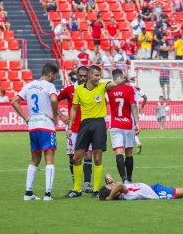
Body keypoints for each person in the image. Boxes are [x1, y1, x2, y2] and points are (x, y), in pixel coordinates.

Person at [65, 66, 136, 198]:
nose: (99, 78)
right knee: (76, 157)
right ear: (90, 76)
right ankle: (76, 189)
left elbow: (114, 83)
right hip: (85, 124)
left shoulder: (102, 86)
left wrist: (125, 80)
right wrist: (70, 126)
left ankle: (96, 190)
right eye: (97, 75)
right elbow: (74, 108)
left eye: (100, 75)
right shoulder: (79, 90)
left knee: (97, 158)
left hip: (99, 124)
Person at [11, 63, 60, 201]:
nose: (54, 79)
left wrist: (26, 118)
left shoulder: (29, 85)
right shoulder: (49, 86)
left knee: (34, 159)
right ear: (50, 74)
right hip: (46, 125)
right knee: (49, 159)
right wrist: (55, 116)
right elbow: (54, 99)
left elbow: (14, 101)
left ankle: (28, 193)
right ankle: (48, 194)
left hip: (32, 125)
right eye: (54, 76)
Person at [57, 66, 94, 192]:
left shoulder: (92, 88)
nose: (83, 78)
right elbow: (53, 100)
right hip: (72, 128)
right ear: (76, 76)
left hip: (88, 127)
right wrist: (61, 115)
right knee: (73, 157)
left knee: (88, 154)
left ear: (88, 75)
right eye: (80, 76)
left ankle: (87, 184)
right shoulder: (69, 89)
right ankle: (76, 184)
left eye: (85, 76)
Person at [107, 69, 140, 182]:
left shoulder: (109, 88)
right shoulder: (129, 89)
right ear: (122, 77)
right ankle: (130, 179)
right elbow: (133, 106)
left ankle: (124, 179)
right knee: (129, 153)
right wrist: (137, 123)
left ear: (113, 78)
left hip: (115, 125)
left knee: (119, 152)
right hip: (128, 125)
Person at [99, 174, 183, 200]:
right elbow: (120, 185)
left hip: (154, 188)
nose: (112, 185)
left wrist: (108, 180)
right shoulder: (124, 194)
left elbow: (108, 175)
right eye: (110, 187)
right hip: (157, 194)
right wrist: (109, 197)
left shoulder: (119, 191)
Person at [133, 85, 147, 154]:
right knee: (133, 130)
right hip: (137, 112)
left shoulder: (127, 88)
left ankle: (137, 143)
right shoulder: (137, 89)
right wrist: (142, 107)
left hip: (130, 111)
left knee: (128, 130)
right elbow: (145, 97)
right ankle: (137, 143)